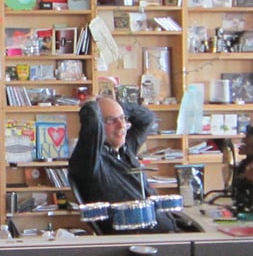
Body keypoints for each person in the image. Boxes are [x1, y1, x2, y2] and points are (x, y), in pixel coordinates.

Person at [68, 96, 176, 233]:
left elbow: (147, 118)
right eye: (111, 120)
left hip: (165, 232)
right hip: (139, 241)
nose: (121, 125)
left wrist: (117, 105)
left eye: (123, 118)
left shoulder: (126, 147)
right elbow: (93, 124)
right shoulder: (90, 160)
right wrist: (90, 105)